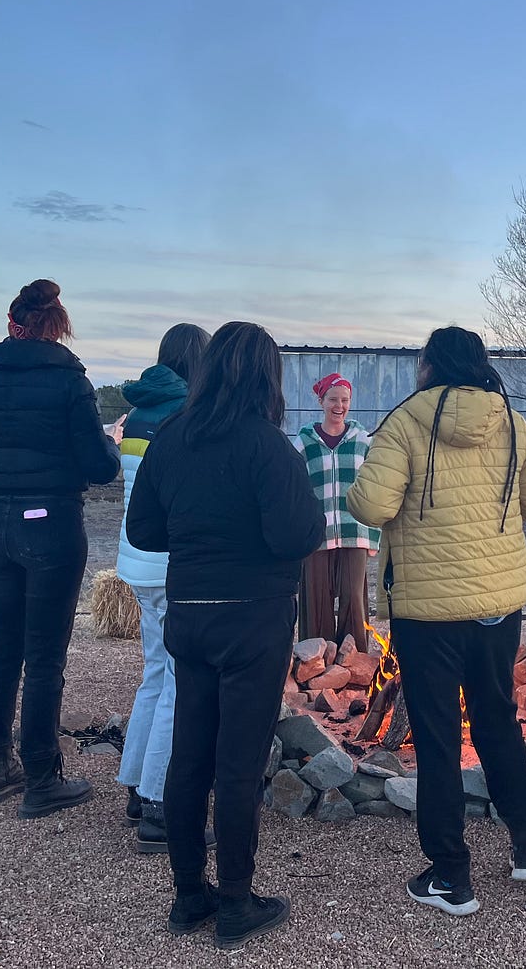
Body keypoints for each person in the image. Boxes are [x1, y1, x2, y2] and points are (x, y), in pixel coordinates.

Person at [347, 326, 526, 918]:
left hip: (427, 610)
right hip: (498, 604)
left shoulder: (404, 421)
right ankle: (525, 846)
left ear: (429, 366)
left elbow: (371, 506)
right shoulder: (511, 421)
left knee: (438, 737)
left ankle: (451, 875)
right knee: (497, 719)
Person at [126, 321, 323, 950]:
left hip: (190, 612)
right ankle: (236, 899)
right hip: (254, 618)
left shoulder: (172, 437)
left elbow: (143, 531)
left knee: (190, 753)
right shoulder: (268, 446)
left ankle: (189, 894)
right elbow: (298, 536)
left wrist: (199, 532)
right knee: (238, 763)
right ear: (268, 377)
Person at [0, 279, 123, 820]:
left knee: (2, 649)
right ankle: (42, 776)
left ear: (12, 325)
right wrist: (109, 443)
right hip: (51, 522)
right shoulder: (71, 384)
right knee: (45, 657)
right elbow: (99, 467)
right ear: (58, 328)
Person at [114, 323, 211, 849]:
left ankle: (136, 783)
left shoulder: (137, 414)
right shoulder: (185, 415)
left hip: (136, 559)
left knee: (155, 673)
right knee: (179, 683)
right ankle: (160, 803)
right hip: (173, 561)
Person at [295, 372, 380, 647]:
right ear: (321, 401)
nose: (339, 406)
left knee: (354, 601)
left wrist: (375, 534)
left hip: (355, 532)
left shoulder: (363, 440)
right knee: (316, 604)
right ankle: (315, 663)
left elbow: (375, 487)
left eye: (345, 400)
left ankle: (354, 662)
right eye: (333, 399)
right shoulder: (304, 442)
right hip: (316, 535)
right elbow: (294, 488)